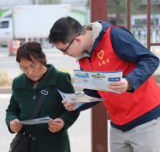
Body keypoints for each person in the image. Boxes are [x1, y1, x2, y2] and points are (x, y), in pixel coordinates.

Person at [49, 16, 160, 152]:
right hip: (117, 125)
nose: (64, 54)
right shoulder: (83, 55)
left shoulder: (114, 35)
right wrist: (77, 102)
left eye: (64, 50)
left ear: (77, 40)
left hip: (144, 119)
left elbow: (150, 60)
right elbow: (95, 89)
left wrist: (129, 81)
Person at [5, 41, 79, 152]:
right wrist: (12, 122)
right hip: (26, 146)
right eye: (24, 68)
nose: (30, 72)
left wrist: (63, 122)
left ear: (43, 59)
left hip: (55, 146)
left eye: (33, 65)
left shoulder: (61, 79)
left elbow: (73, 109)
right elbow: (11, 110)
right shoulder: (18, 82)